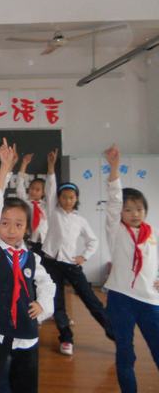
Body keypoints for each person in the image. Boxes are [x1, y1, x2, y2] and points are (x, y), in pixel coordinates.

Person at [0, 139, 55, 393]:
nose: (11, 229)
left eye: (18, 224)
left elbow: (47, 283)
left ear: (27, 229)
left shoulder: (31, 258)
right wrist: (4, 169)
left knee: (25, 386)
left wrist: (44, 305)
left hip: (26, 333)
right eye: (4, 223)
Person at [41, 150, 114, 355]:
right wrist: (51, 166)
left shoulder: (80, 220)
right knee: (57, 302)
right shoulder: (53, 212)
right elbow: (50, 188)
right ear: (58, 199)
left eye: (71, 197)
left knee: (90, 299)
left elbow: (93, 240)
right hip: (51, 263)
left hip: (71, 265)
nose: (67, 200)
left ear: (76, 199)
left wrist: (84, 256)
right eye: (64, 197)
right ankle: (66, 338)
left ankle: (114, 333)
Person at [103, 144, 159, 392]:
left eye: (139, 208)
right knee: (125, 353)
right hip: (121, 299)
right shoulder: (116, 231)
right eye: (128, 209)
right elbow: (115, 199)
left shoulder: (151, 233)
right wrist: (114, 167)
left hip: (150, 300)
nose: (134, 213)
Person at [15, 152, 57, 255]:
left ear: (43, 192)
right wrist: (24, 164)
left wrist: (51, 166)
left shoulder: (46, 205)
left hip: (44, 243)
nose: (33, 191)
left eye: (37, 189)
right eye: (32, 188)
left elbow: (51, 188)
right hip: (28, 241)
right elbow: (19, 186)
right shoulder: (25, 203)